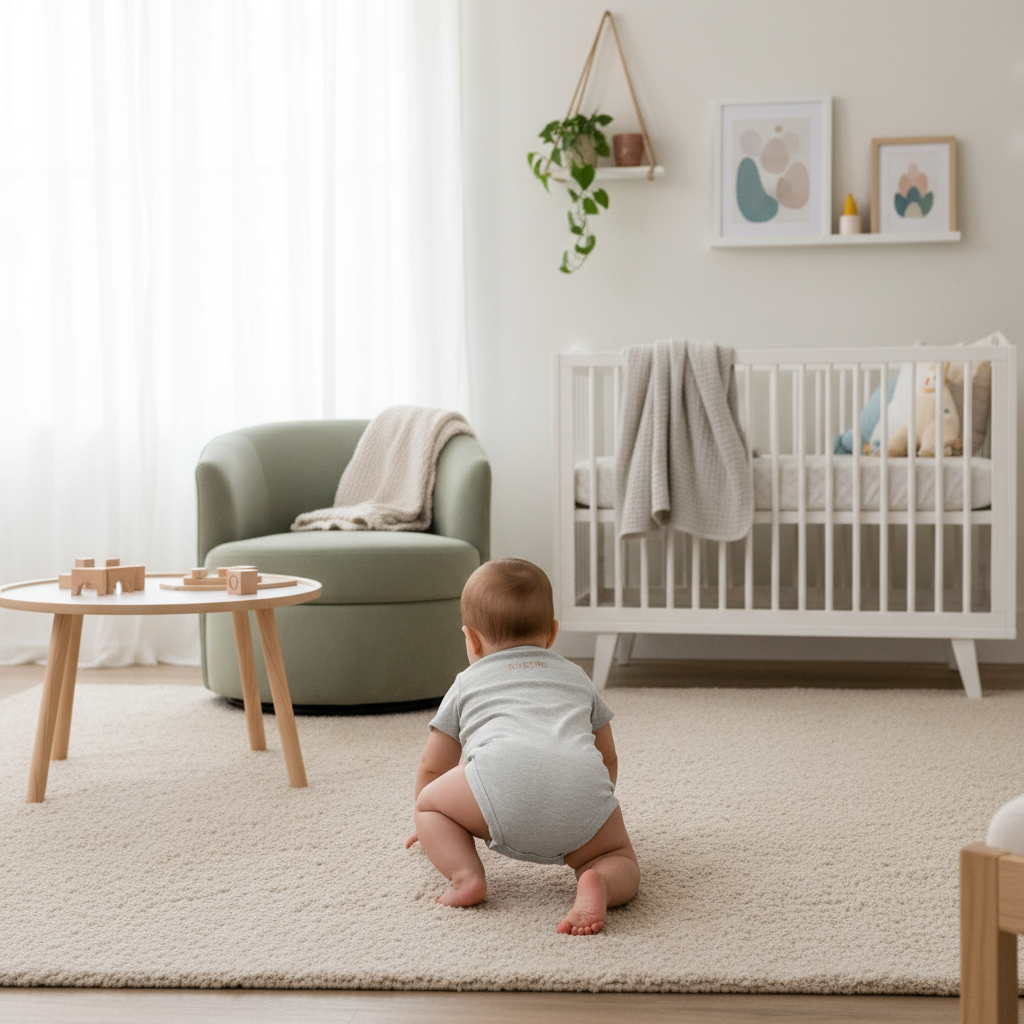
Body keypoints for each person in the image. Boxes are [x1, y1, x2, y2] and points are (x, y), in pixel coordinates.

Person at [404, 558, 639, 935]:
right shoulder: (576, 676)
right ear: (552, 634)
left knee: (430, 806)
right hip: (581, 787)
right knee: (619, 859)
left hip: (499, 782)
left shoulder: (467, 681)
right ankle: (600, 881)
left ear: (472, 639)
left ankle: (466, 877)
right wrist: (591, 802)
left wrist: (429, 812)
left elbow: (434, 765)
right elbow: (607, 754)